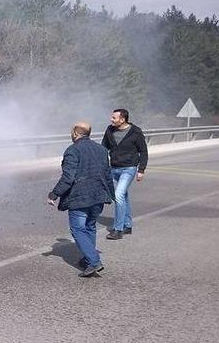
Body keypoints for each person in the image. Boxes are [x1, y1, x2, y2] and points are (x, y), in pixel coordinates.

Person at [47, 122, 115, 277]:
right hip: (98, 196)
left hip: (80, 197)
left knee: (78, 229)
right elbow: (107, 175)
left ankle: (94, 261)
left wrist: (54, 194)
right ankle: (87, 259)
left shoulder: (72, 150)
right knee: (90, 227)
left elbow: (68, 177)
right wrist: (111, 194)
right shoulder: (102, 150)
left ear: (75, 133)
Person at [101, 108, 148, 240]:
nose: (111, 119)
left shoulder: (135, 132)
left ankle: (118, 229)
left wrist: (141, 170)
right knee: (123, 196)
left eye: (114, 118)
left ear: (122, 119)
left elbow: (143, 151)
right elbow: (103, 147)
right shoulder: (109, 130)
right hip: (114, 168)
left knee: (118, 195)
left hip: (129, 168)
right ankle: (128, 225)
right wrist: (102, 165)